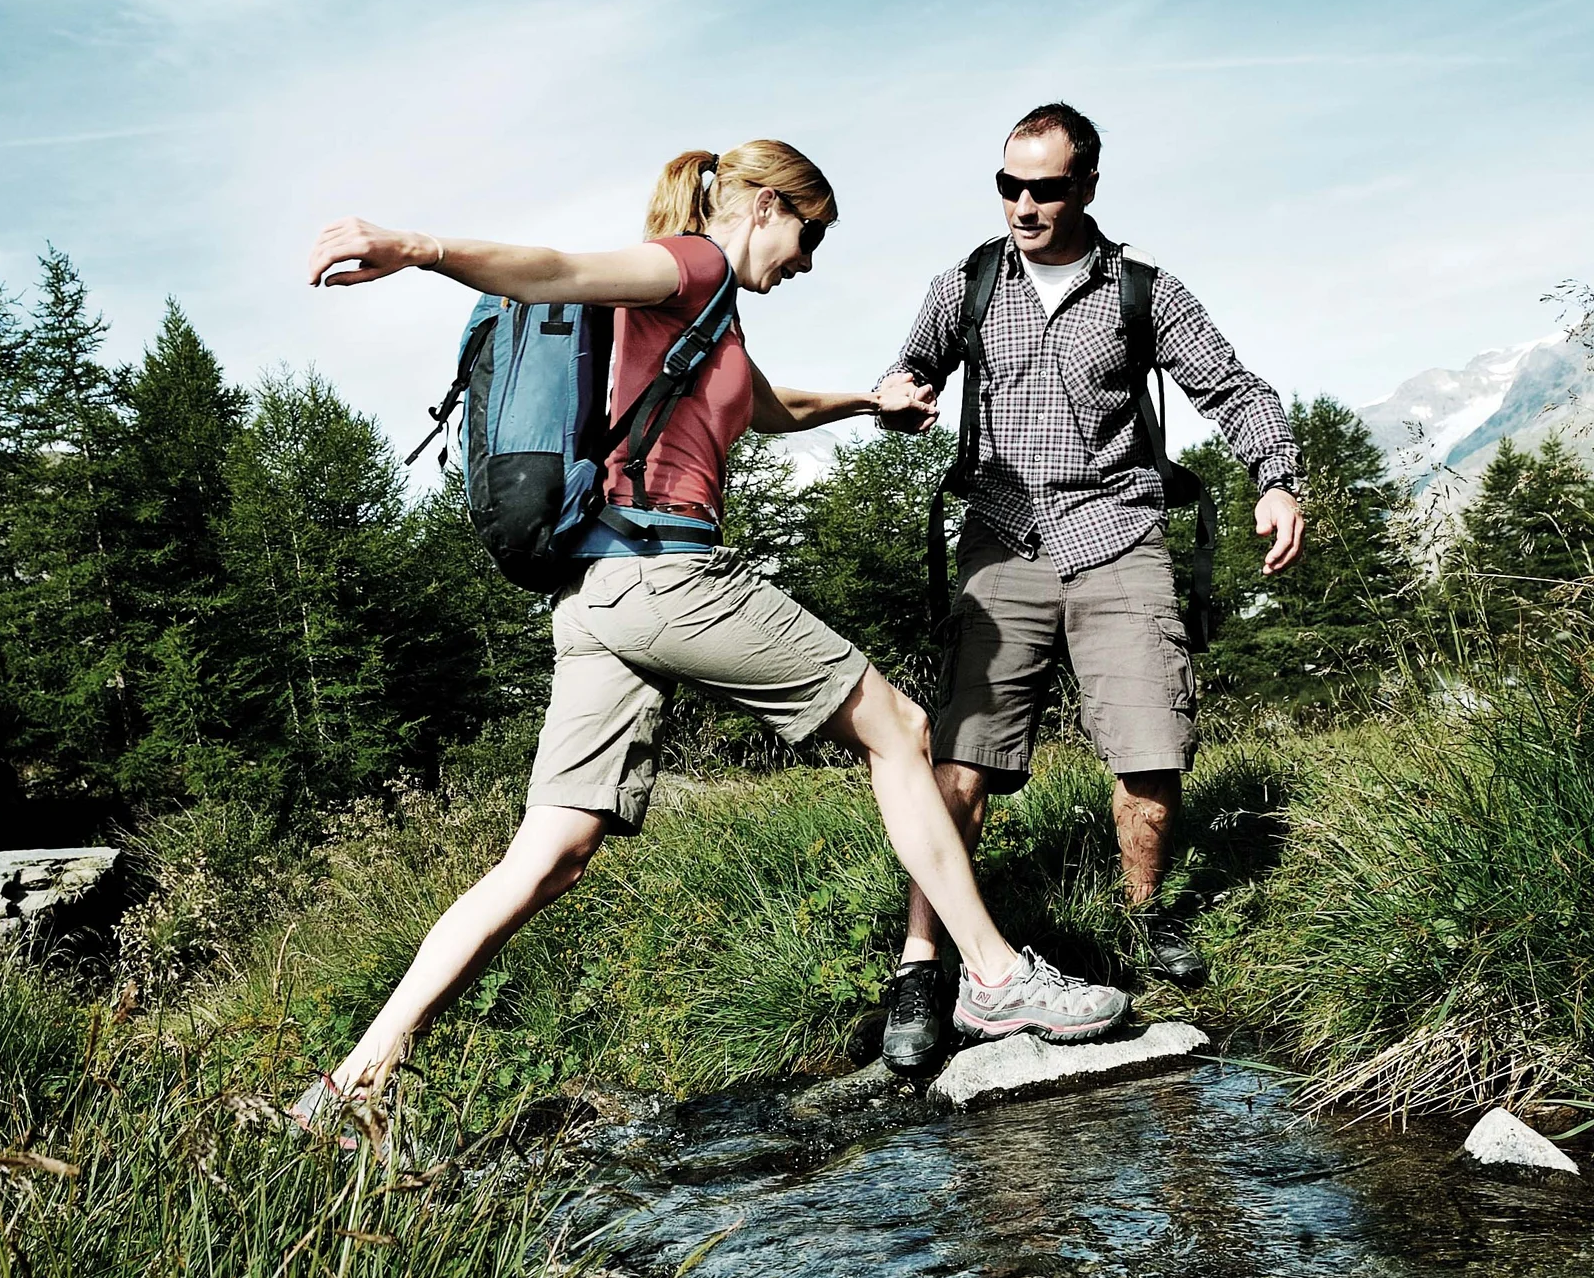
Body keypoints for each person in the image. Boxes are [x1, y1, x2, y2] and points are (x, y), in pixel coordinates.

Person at [289, 139, 1131, 1125]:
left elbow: (770, 408)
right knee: (900, 729)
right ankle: (991, 976)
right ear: (768, 205)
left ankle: (349, 1091)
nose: (807, 263)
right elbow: (556, 271)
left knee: (549, 853)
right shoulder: (687, 267)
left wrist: (872, 400)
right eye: (808, 236)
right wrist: (417, 246)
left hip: (598, 604)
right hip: (667, 578)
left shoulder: (707, 323)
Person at [873, 102, 1305, 1072]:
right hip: (1002, 539)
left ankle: (1146, 916)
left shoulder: (1145, 289)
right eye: (1009, 185)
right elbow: (910, 366)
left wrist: (1275, 478)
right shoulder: (969, 283)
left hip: (1116, 536)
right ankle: (921, 963)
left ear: (1089, 187)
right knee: (959, 765)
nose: (1025, 205)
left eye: (1047, 187)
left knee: (1150, 757)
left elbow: (1234, 389)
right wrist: (900, 394)